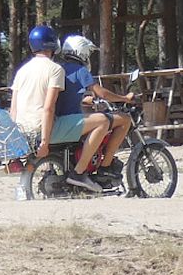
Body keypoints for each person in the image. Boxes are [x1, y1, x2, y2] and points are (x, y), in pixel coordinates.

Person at [9, 25, 109, 193]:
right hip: (43, 129)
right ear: (53, 45)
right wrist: (44, 142)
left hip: (23, 131)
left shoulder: (22, 71)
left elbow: (13, 109)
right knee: (103, 121)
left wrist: (15, 142)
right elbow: (48, 108)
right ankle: (79, 173)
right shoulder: (55, 69)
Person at [56, 35, 133, 176]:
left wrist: (84, 100)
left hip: (59, 120)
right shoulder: (80, 70)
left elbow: (65, 95)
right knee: (124, 119)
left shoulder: (59, 69)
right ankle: (105, 166)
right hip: (70, 122)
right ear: (82, 52)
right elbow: (102, 93)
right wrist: (124, 98)